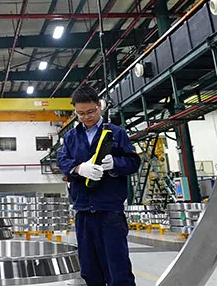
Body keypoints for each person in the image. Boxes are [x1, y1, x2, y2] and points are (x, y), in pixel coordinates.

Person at [57, 86, 141, 286]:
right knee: (89, 268)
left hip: (109, 211)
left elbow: (133, 162)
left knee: (117, 268)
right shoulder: (71, 137)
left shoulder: (116, 133)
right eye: (81, 114)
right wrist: (78, 169)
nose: (86, 117)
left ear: (99, 106)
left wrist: (115, 164)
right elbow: (61, 161)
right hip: (83, 211)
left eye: (91, 112)